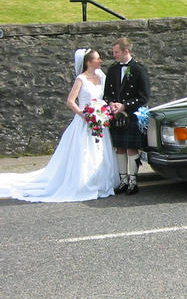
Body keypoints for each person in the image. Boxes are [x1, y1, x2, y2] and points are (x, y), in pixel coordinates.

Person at [0, 49, 120, 202]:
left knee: (101, 152)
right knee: (84, 153)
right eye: (97, 58)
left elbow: (106, 96)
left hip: (100, 121)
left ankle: (101, 182)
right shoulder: (81, 79)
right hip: (85, 121)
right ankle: (83, 182)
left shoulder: (102, 76)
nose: (101, 60)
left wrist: (105, 110)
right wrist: (84, 114)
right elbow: (71, 101)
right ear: (89, 62)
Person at [104, 37, 151, 195]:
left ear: (126, 51)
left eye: (116, 52)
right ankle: (123, 180)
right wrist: (111, 104)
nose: (114, 55)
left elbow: (144, 97)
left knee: (131, 148)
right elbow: (107, 94)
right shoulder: (112, 70)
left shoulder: (139, 69)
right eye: (113, 52)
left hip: (131, 114)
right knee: (119, 148)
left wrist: (124, 105)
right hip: (117, 116)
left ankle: (133, 181)